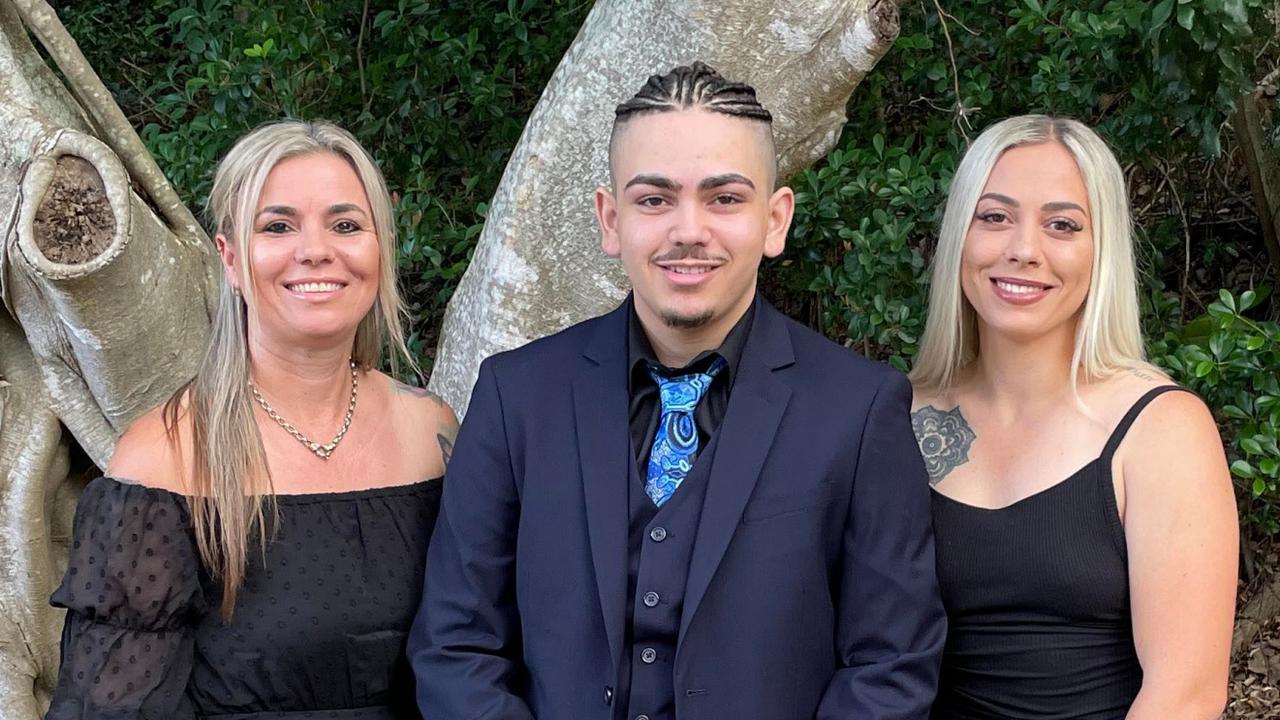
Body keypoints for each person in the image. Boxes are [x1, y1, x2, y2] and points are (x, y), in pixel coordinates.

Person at [410, 62, 946, 720]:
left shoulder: (858, 411)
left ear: (775, 220)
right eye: (654, 199)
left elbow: (890, 665)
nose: (688, 230)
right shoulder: (516, 397)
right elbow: (456, 645)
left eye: (724, 198)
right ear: (611, 220)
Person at [46, 120, 456, 719]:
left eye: (345, 225)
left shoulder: (435, 433)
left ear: (378, 249)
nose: (316, 249)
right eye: (278, 225)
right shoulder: (166, 457)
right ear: (231, 259)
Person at [909, 115, 1237, 719]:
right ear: (960, 234)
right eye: (995, 216)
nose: (1024, 249)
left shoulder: (1160, 430)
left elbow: (1186, 695)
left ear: (1100, 249)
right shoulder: (895, 416)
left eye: (1062, 224)